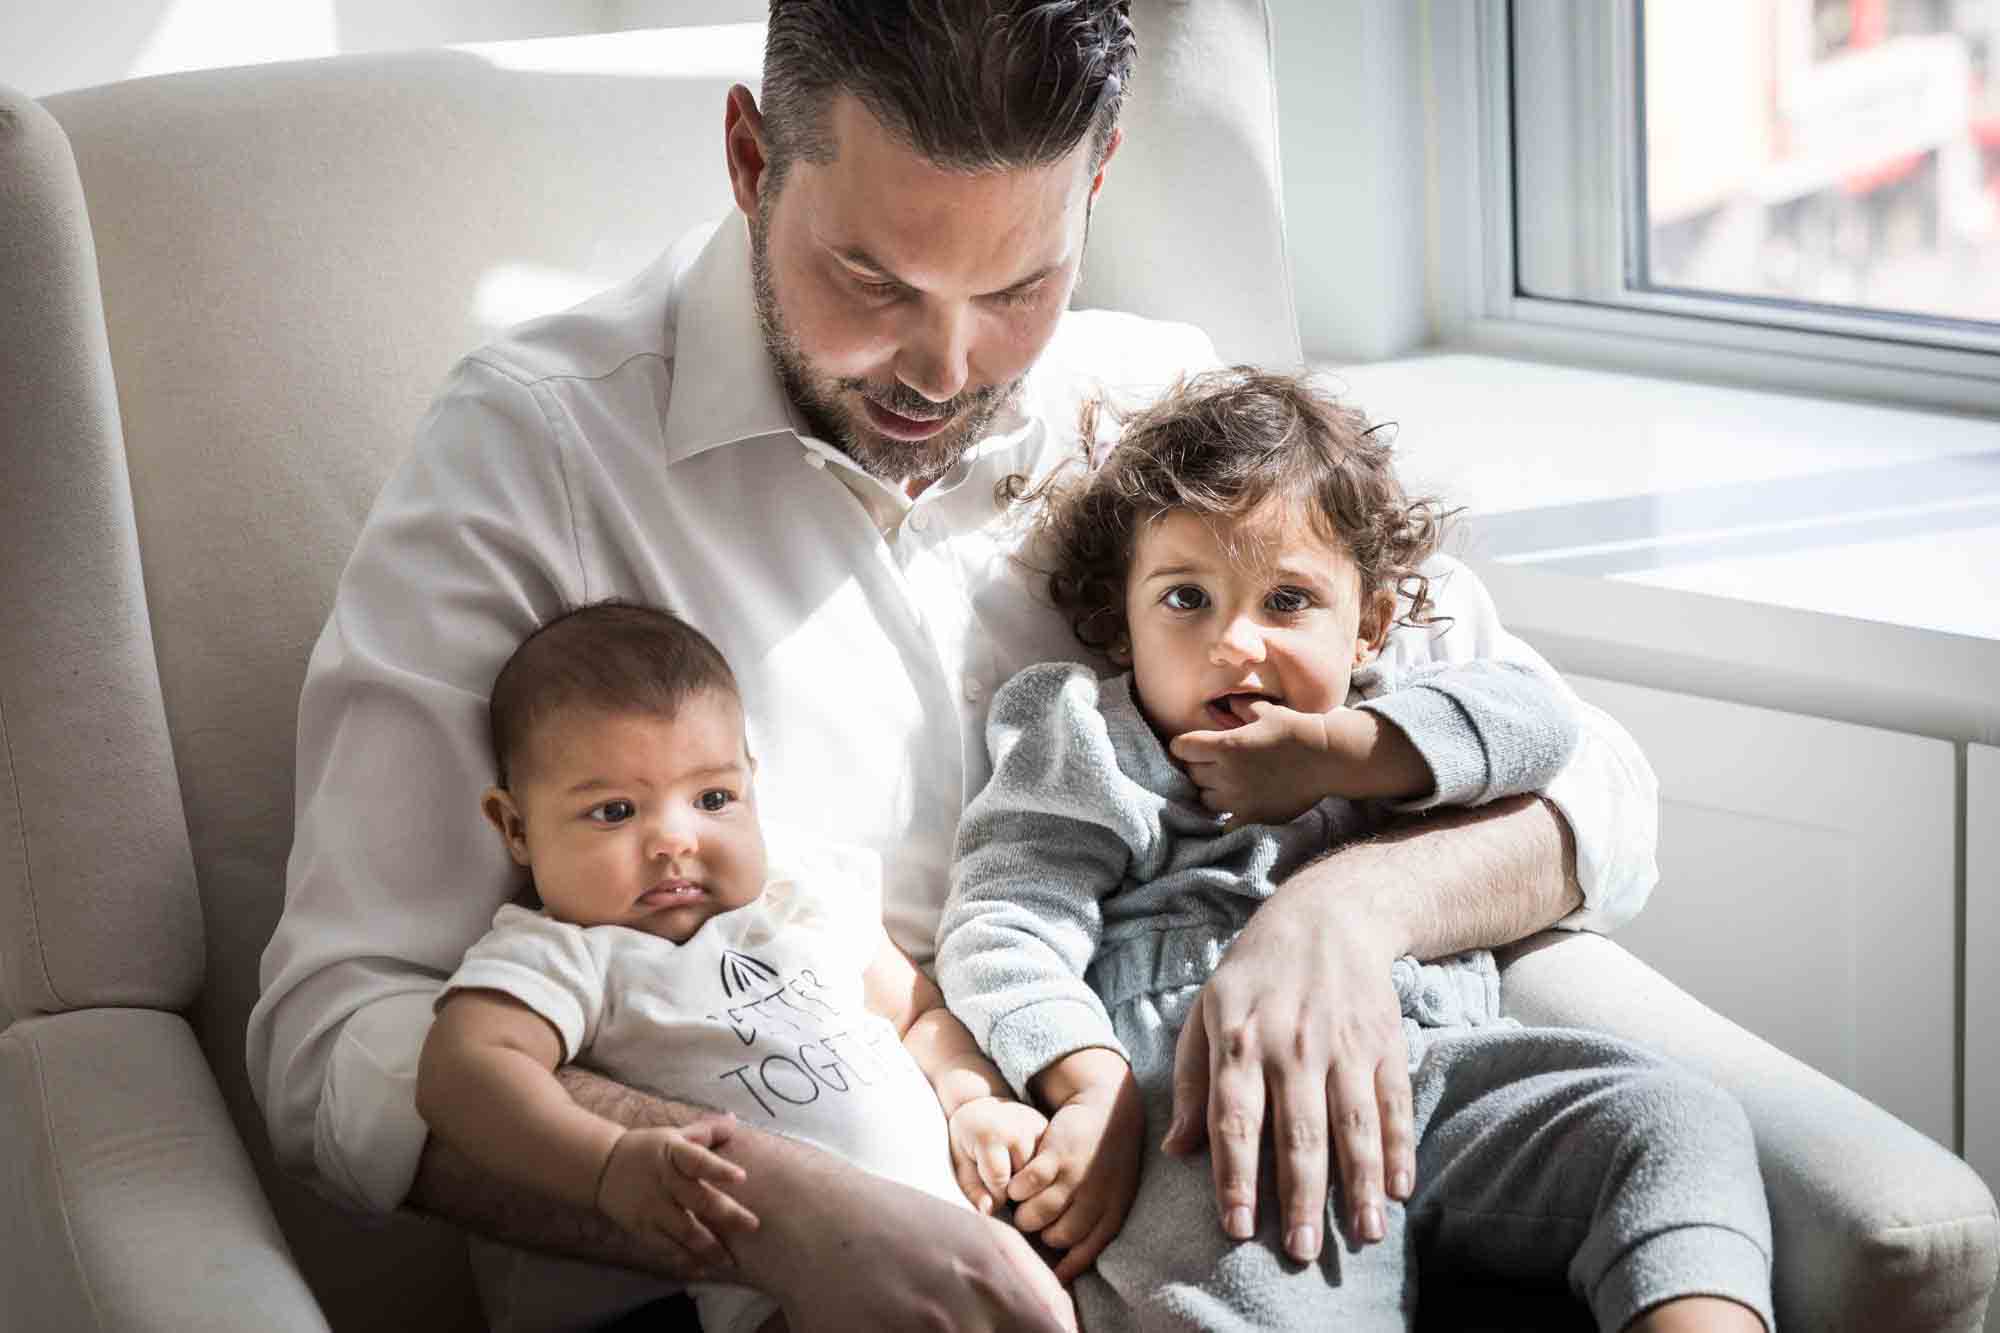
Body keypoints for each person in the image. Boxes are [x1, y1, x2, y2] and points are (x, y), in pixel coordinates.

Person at [247, 3, 1664, 1329]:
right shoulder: (534, 456)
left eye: (1019, 284)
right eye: (872, 277)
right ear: (750, 158)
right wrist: (766, 1213)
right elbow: (332, 1044)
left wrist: (1346, 916)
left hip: (1242, 1222)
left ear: (1099, 178)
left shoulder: (1163, 415)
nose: (943, 363)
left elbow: (1598, 783)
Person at [935, 369, 1773, 1332]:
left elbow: (1542, 724)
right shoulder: (1089, 737)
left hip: (1440, 1070)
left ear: (1368, 623)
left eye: (1287, 599)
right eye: (1186, 598)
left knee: (1675, 1124)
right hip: (1215, 1099)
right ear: (1122, 619)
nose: (1236, 643)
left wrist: (1343, 755)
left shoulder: (1384, 713)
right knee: (1267, 1277)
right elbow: (1003, 916)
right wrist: (1089, 1080)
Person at [415, 602, 1062, 1333]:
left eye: (713, 798)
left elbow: (917, 1013)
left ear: (753, 781)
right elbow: (461, 1071)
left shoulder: (800, 890)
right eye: (614, 811)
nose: (673, 839)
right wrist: (605, 1163)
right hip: (789, 1301)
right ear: (516, 828)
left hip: (979, 1248)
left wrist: (970, 1096)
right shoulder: (567, 950)